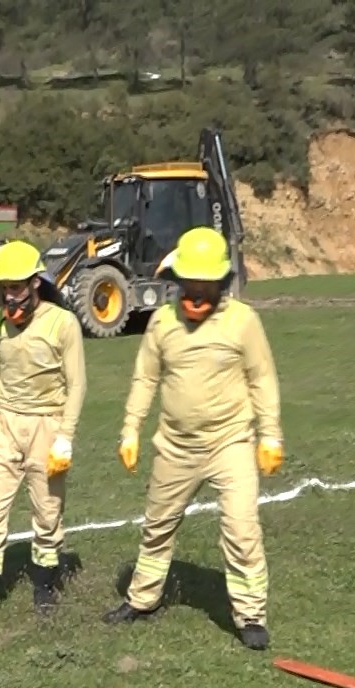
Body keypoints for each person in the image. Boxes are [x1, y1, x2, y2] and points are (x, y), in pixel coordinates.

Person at [105, 227, 285, 649]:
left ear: (221, 282)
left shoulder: (244, 322)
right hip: (175, 447)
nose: (198, 291)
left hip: (231, 444)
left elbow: (263, 379)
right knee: (157, 527)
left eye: (207, 283)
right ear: (179, 280)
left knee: (242, 529)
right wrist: (130, 429)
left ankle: (250, 616)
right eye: (191, 282)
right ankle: (142, 599)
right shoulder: (162, 322)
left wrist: (270, 436)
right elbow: (146, 377)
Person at [0, 240, 87, 621]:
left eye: (15, 287)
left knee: (47, 511)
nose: (9, 296)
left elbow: (76, 384)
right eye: (4, 288)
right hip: (4, 425)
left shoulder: (64, 323)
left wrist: (65, 438)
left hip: (48, 424)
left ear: (35, 283)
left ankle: (45, 586)